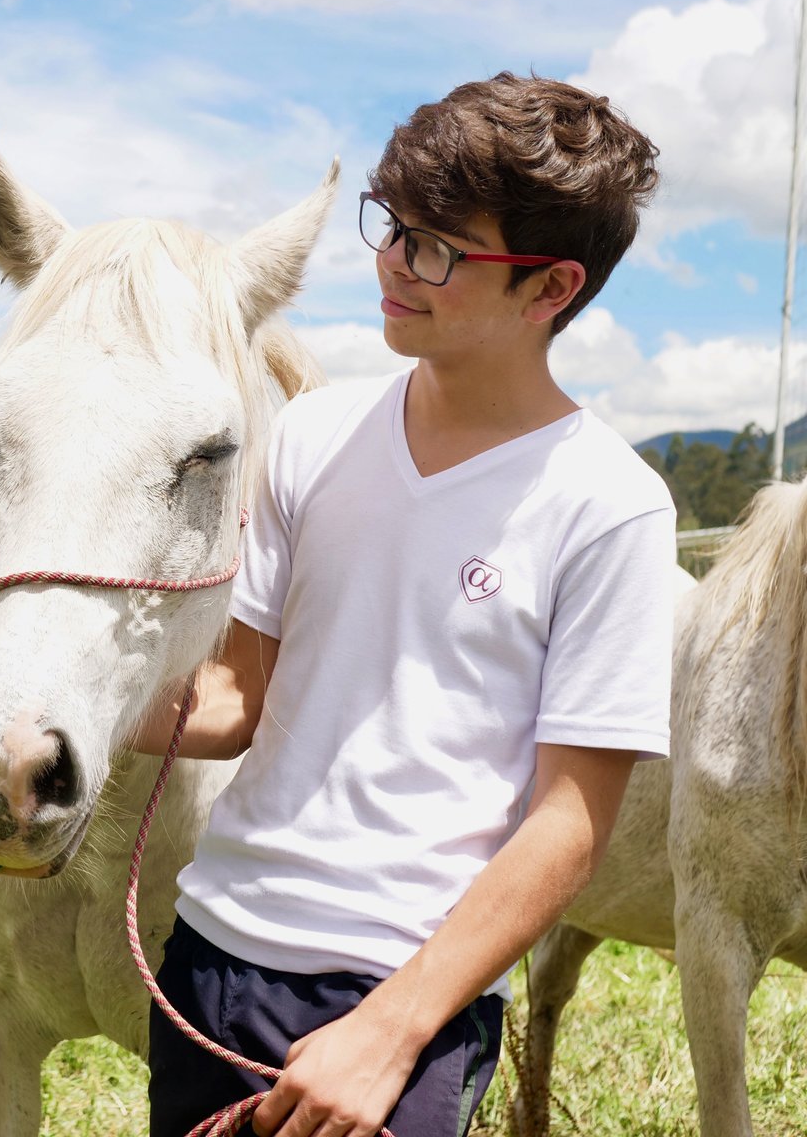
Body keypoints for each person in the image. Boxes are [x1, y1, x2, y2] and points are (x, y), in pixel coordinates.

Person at [139, 73, 674, 1137]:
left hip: (404, 996)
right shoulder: (311, 435)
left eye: (436, 247)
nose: (393, 264)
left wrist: (390, 1030)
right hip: (212, 953)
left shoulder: (609, 507)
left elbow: (570, 821)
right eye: (390, 228)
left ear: (548, 289)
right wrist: (62, 701)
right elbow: (235, 701)